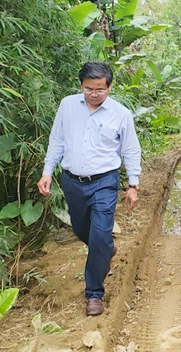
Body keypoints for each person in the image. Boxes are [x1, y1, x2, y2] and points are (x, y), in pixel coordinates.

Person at [37, 61, 141, 316]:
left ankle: (94, 294)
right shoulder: (68, 105)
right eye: (88, 89)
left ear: (110, 87)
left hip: (105, 181)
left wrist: (133, 185)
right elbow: (57, 140)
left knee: (99, 233)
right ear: (81, 85)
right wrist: (47, 171)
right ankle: (105, 247)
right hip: (73, 181)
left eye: (99, 90)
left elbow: (130, 150)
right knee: (82, 229)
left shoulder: (121, 114)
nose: (93, 94)